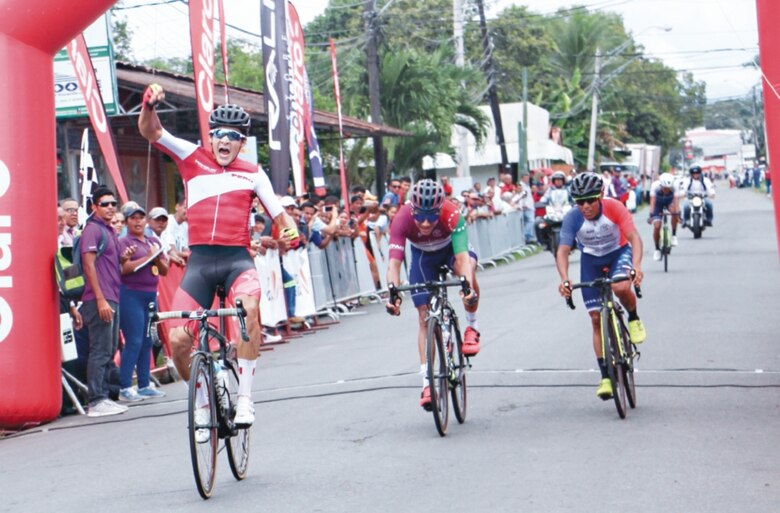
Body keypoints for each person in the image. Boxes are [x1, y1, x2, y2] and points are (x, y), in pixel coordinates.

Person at [138, 84, 298, 430]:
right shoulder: (191, 156)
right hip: (199, 265)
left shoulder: (253, 172)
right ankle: (200, 399)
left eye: (233, 136)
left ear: (242, 143)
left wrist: (290, 231)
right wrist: (148, 106)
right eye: (219, 135)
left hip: (236, 262)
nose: (225, 141)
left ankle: (245, 398)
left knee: (249, 310)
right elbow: (152, 132)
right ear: (210, 138)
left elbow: (280, 215)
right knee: (178, 340)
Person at [385, 179, 481, 410]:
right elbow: (394, 265)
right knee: (423, 317)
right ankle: (427, 383)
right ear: (413, 211)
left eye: (431, 217)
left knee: (468, 271)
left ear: (440, 209)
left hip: (451, 250)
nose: (426, 223)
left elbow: (462, 259)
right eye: (420, 217)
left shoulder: (452, 213)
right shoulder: (401, 218)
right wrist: (393, 294)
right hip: (423, 258)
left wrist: (467, 288)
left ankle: (472, 326)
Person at [555, 172, 646, 401]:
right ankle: (606, 376)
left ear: (601, 195)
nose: (585, 206)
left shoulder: (614, 207)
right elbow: (563, 250)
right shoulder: (572, 218)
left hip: (618, 253)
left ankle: (633, 317)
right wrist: (564, 279)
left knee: (621, 288)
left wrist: (636, 266)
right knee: (595, 318)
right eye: (580, 202)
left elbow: (634, 238)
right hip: (591, 260)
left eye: (590, 200)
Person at [81, 187, 137, 417]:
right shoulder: (93, 230)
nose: (111, 207)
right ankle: (96, 400)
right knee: (100, 350)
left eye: (113, 203)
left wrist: (123, 259)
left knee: (110, 349)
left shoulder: (108, 230)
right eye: (105, 204)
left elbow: (110, 266)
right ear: (94, 207)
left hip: (111, 297)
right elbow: (88, 265)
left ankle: (103, 396)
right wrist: (100, 299)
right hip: (99, 299)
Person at [118, 205, 170, 402]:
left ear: (146, 221)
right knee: (134, 340)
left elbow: (164, 270)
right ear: (126, 222)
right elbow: (124, 270)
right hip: (130, 295)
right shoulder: (123, 242)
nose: (138, 221)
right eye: (133, 218)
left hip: (150, 295)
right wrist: (149, 257)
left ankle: (144, 384)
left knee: (147, 340)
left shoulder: (153, 241)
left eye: (141, 218)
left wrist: (155, 258)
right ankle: (125, 387)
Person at [534, 171, 572, 248]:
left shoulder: (568, 189)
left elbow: (573, 197)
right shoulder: (550, 190)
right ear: (554, 181)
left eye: (560, 180)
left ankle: (577, 241)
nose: (558, 181)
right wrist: (541, 202)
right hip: (553, 212)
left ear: (563, 181)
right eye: (557, 180)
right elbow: (544, 198)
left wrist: (575, 202)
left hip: (565, 212)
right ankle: (544, 242)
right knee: (538, 223)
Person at [647, 172, 680, 261]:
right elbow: (652, 202)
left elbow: (676, 202)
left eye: (668, 188)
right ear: (661, 185)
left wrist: (678, 214)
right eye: (664, 188)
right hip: (658, 202)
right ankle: (657, 249)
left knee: (674, 212)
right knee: (657, 226)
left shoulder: (675, 186)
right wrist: (651, 215)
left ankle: (674, 235)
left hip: (669, 200)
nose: (666, 190)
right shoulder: (655, 186)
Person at [162, 194, 189, 265]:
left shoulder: (185, 226)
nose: (188, 211)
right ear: (177, 207)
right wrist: (187, 254)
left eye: (190, 209)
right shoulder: (168, 222)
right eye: (185, 208)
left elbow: (185, 249)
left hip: (179, 263)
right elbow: (171, 251)